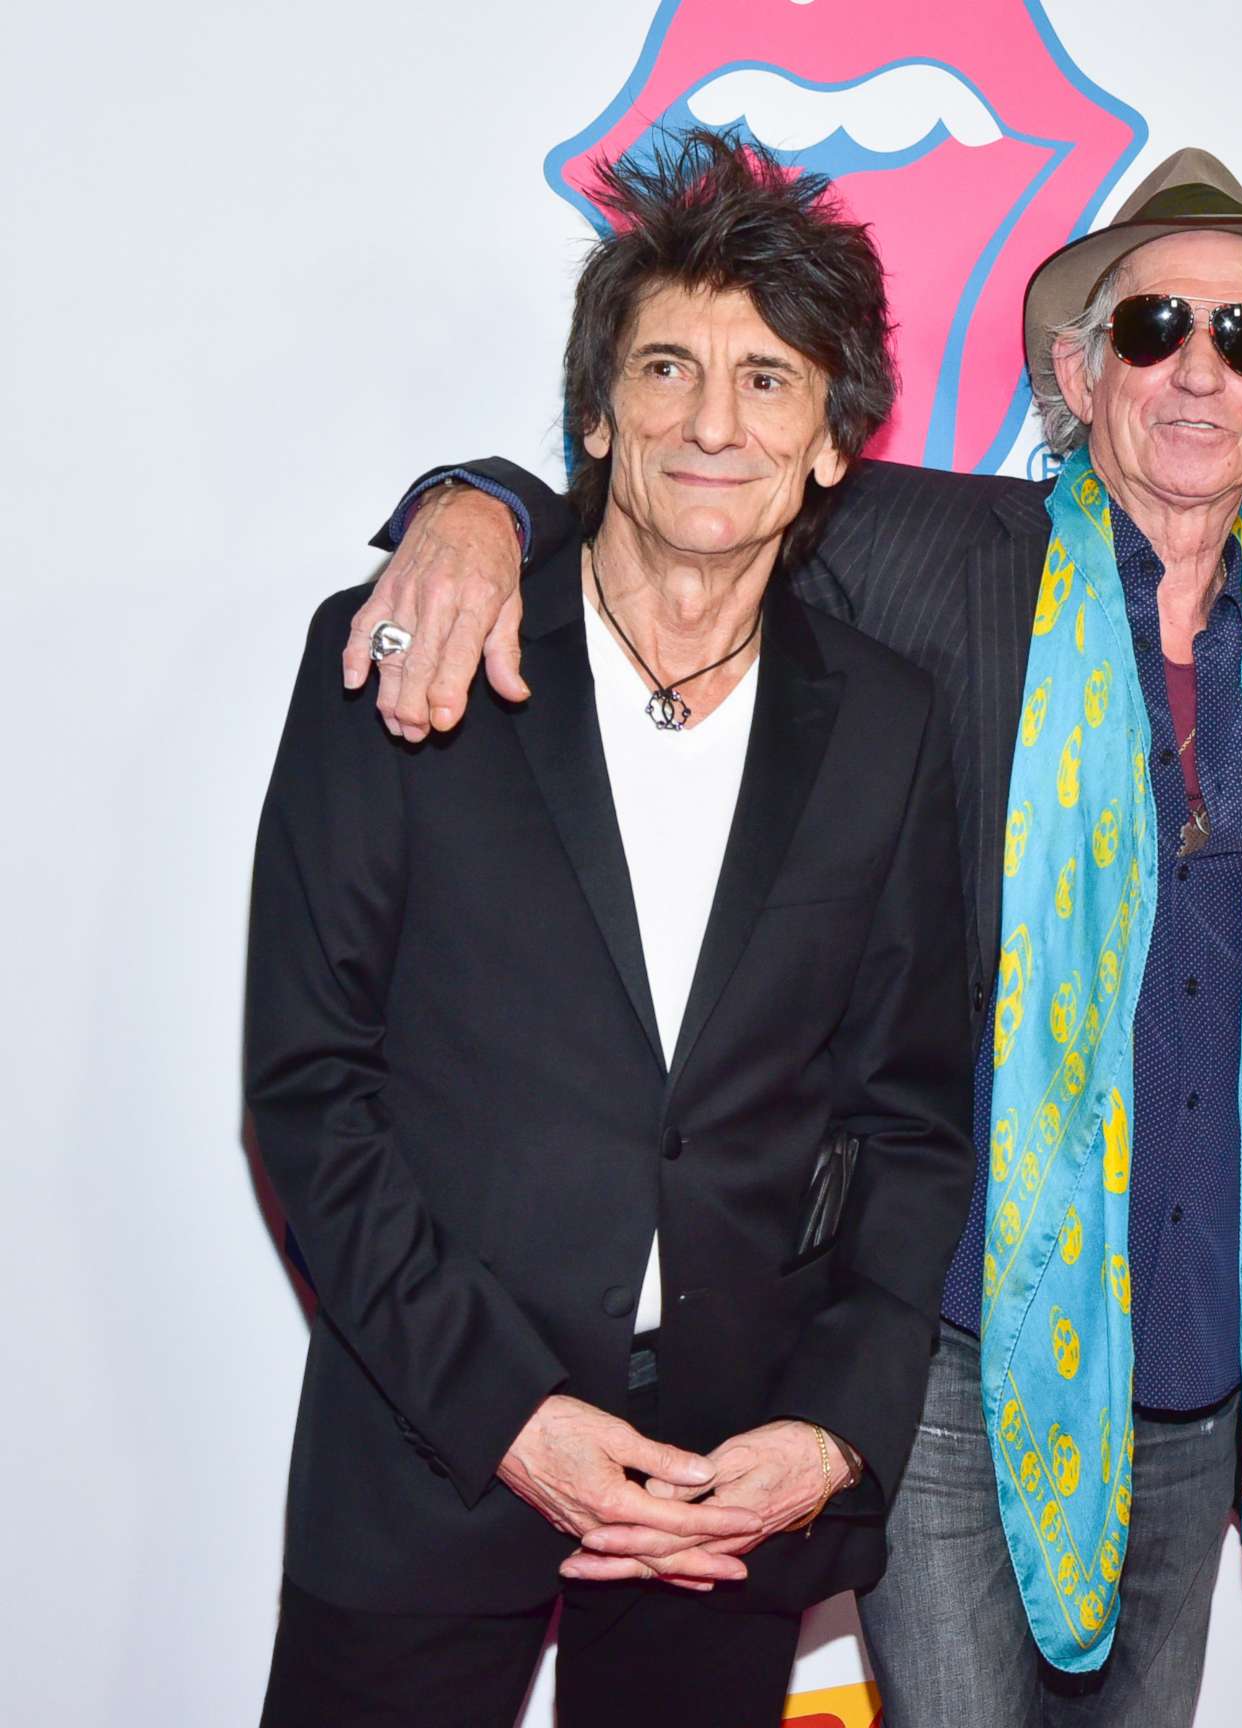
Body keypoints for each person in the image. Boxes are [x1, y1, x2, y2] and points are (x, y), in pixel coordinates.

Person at [346, 146, 1242, 1726]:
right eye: (1153, 324)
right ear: (1075, 373)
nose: (1195, 371)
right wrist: (469, 510)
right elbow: (684, 498)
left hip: (1196, 1370)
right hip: (953, 1348)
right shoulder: (929, 553)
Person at [244, 131, 975, 1727]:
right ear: (594, 416)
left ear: (835, 442)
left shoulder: (888, 724)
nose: (716, 422)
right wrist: (511, 1415)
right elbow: (309, 1088)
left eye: (772, 381)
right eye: (667, 368)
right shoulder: (412, 652)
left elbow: (912, 1119)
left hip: (727, 1485)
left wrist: (834, 1433)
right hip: (432, 1442)